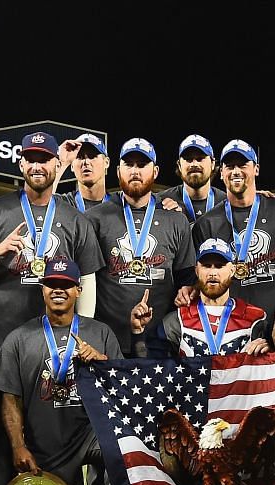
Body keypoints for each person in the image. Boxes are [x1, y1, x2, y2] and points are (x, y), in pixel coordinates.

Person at [0, 259, 126, 485]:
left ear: (78, 290)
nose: (59, 290)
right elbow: (10, 398)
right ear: (42, 289)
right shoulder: (18, 339)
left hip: (91, 433)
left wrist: (101, 362)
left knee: (127, 453)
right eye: (52, 284)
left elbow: (121, 389)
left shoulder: (100, 333)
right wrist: (18, 445)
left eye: (66, 285)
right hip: (48, 443)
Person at [84, 138, 198, 357]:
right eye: (129, 164)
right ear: (118, 171)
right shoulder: (95, 219)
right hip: (107, 344)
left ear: (155, 171)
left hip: (161, 344)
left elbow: (186, 279)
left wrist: (186, 292)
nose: (135, 170)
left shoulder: (175, 219)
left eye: (142, 164)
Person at [194, 139, 275, 319]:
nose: (235, 171)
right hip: (229, 330)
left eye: (242, 164)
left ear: (256, 169)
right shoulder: (207, 223)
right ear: (221, 173)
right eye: (229, 166)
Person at [144, 239, 273, 356]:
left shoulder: (256, 319)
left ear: (233, 270)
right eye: (206, 266)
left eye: (219, 266)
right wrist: (138, 332)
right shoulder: (175, 321)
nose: (212, 273)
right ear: (196, 271)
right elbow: (150, 368)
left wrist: (274, 349)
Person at [158, 133, 220, 221]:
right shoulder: (162, 202)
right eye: (188, 159)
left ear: (213, 164)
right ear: (179, 165)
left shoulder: (227, 203)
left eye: (200, 159)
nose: (194, 164)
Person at [56, 132, 111, 213]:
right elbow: (40, 204)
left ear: (106, 162)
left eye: (92, 156)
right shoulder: (63, 204)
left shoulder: (120, 205)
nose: (86, 162)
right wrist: (63, 163)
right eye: (80, 157)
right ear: (71, 166)